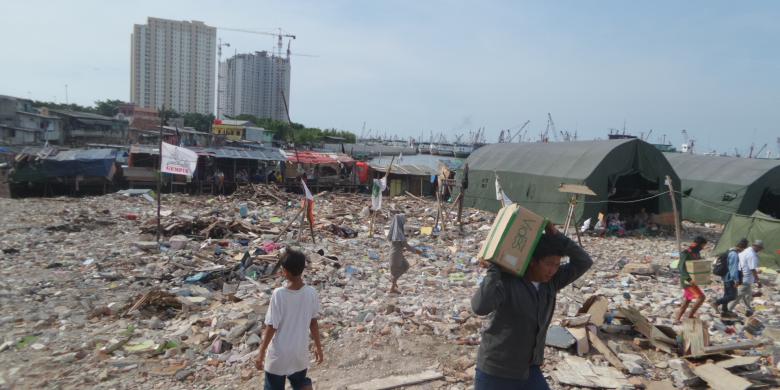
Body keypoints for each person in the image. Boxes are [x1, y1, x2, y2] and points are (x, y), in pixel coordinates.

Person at [471, 224, 593, 389]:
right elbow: (480, 307)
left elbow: (584, 261)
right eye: (549, 264)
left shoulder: (551, 283)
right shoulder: (507, 282)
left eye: (557, 265)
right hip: (496, 371)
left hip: (529, 369)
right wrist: (494, 269)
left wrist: (558, 237)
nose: (553, 270)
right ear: (533, 262)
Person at [255, 249, 323, 390]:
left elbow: (272, 326)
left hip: (279, 355)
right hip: (299, 353)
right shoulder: (311, 293)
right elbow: (313, 322)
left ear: (286, 271)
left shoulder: (279, 294)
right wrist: (318, 346)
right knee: (300, 383)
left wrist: (261, 352)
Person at [674, 236, 707, 323]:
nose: (703, 248)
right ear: (697, 244)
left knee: (687, 300)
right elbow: (681, 268)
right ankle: (690, 316)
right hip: (687, 281)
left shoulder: (696, 253)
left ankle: (677, 319)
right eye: (702, 246)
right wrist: (689, 279)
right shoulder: (686, 253)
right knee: (701, 297)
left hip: (693, 280)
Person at [387, 214, 422, 294]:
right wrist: (417, 251)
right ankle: (392, 286)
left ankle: (393, 284)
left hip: (397, 254)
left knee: (405, 266)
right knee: (401, 268)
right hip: (396, 255)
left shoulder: (395, 233)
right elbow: (407, 246)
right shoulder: (399, 235)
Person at [713, 238, 748, 318]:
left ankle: (724, 311)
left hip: (726, 277)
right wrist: (736, 280)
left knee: (727, 294)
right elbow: (733, 268)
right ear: (743, 247)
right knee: (732, 296)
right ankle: (716, 303)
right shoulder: (734, 255)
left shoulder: (729, 251)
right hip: (730, 278)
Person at [728, 240, 764, 317]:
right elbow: (752, 269)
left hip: (741, 276)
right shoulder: (752, 255)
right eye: (760, 248)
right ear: (757, 247)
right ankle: (728, 310)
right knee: (738, 296)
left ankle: (749, 309)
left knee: (747, 295)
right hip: (745, 279)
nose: (760, 250)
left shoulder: (746, 250)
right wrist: (758, 280)